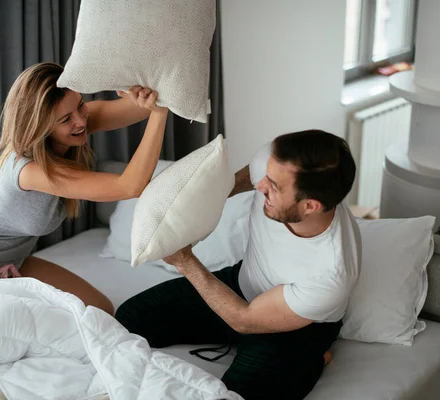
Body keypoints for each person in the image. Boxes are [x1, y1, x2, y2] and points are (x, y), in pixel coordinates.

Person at [115, 130, 362, 399]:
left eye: (274, 187)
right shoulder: (276, 162)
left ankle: (311, 362)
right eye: (266, 173)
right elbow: (246, 179)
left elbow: (245, 320)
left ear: (311, 206)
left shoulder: (330, 274)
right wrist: (203, 199)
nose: (260, 186)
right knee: (128, 319)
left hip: (295, 327)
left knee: (234, 397)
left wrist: (186, 262)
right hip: (242, 283)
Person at [0, 62, 169, 316]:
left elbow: (142, 107)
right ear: (40, 128)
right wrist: (160, 114)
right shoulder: (31, 171)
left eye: (79, 105)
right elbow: (130, 186)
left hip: (10, 260)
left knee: (100, 310)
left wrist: (151, 98)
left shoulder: (76, 120)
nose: (80, 121)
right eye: (66, 119)